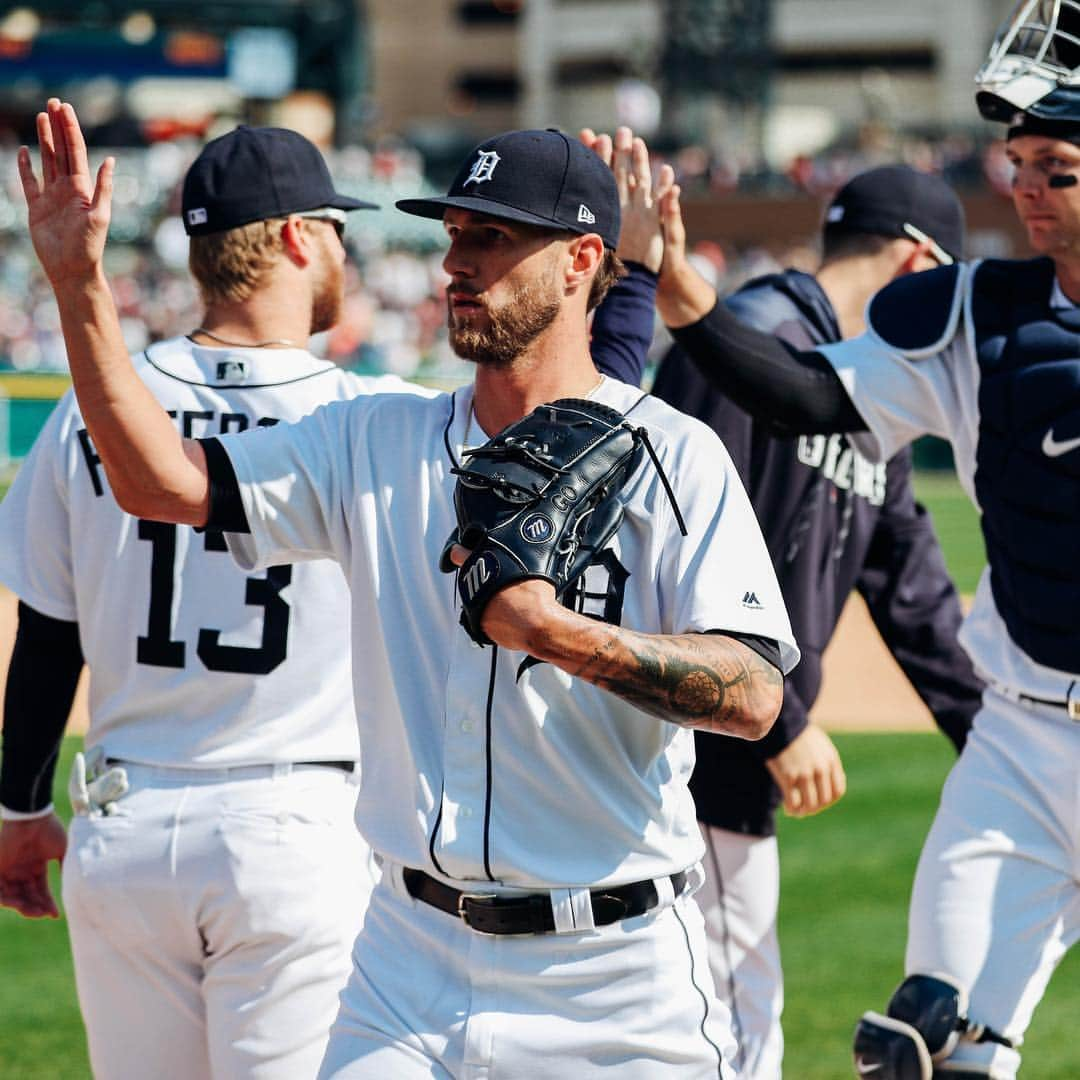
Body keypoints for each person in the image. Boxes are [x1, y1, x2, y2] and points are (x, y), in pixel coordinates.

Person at [20, 103, 800, 1078]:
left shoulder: (675, 456)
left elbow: (754, 691)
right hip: (405, 964)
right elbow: (160, 483)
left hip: (614, 981)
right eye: (454, 235)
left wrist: (562, 636)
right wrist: (79, 286)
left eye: (494, 238)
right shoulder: (375, 439)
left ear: (580, 262)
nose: (456, 262)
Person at [648, 3, 1080, 1075]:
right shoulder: (979, 315)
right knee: (925, 1047)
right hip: (1022, 742)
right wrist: (688, 299)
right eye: (1016, 160)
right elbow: (800, 397)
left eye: (1057, 166)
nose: (1024, 185)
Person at [0, 123, 437, 1079]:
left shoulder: (95, 407)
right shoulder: (370, 417)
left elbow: (48, 627)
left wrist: (19, 804)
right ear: (291, 238)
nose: (344, 251)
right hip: (295, 834)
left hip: (126, 823)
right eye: (334, 228)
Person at [621, 164, 982, 1079]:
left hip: (735, 761)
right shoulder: (752, 340)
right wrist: (781, 719)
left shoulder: (868, 389)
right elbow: (663, 544)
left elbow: (917, 597)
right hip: (682, 751)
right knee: (732, 1035)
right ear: (917, 264)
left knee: (718, 1023)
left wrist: (1014, 755)